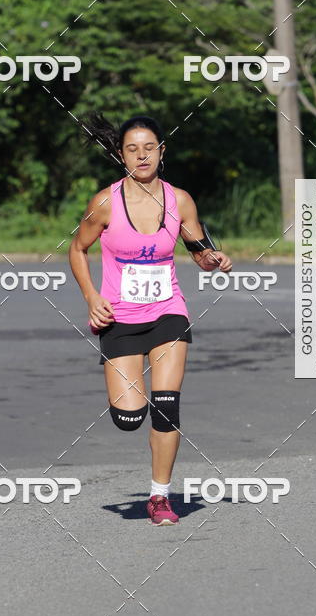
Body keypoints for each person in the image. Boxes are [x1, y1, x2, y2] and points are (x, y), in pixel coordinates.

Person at [69, 114, 232, 525]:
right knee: (129, 418)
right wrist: (92, 297)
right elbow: (76, 249)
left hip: (168, 313)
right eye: (131, 149)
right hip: (119, 318)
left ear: (162, 150)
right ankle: (126, 397)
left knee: (166, 406)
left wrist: (212, 259)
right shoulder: (105, 203)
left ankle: (159, 497)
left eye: (149, 147)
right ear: (121, 155)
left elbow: (199, 250)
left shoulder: (181, 200)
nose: (141, 155)